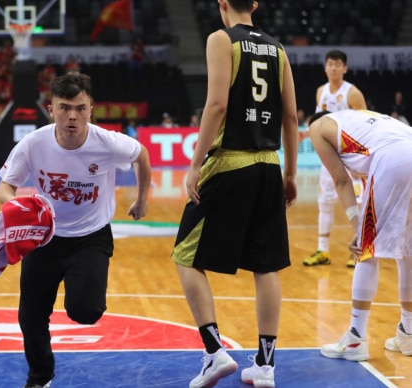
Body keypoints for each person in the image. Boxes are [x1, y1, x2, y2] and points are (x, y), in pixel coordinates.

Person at [171, 1, 298, 387]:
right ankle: (265, 365)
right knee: (266, 265)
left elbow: (217, 104)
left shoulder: (221, 39)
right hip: (268, 165)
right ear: (255, 4)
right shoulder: (278, 48)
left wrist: (195, 164)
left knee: (185, 255)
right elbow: (291, 117)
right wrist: (290, 173)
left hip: (230, 163)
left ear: (222, 4)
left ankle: (214, 353)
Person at [0, 73, 151, 388]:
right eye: (65, 107)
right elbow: (5, 185)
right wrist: (14, 204)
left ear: (91, 109)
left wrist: (142, 198)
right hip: (44, 239)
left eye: (80, 108)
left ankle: (85, 294)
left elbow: (141, 155)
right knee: (31, 316)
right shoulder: (33, 143)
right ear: (50, 109)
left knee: (85, 312)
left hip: (90, 239)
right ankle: (40, 377)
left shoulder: (107, 143)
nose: (72, 116)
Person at [308, 109, 412, 361]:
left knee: (366, 251)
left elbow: (341, 181)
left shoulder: (318, 127)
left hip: (393, 158)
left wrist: (358, 227)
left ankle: (355, 338)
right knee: (408, 252)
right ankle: (408, 334)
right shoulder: (359, 118)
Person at [302, 49, 367, 268]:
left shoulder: (353, 93)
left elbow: (365, 125)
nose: (333, 68)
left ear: (345, 68)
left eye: (338, 64)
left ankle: (357, 248)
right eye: (330, 64)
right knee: (324, 201)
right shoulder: (321, 92)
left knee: (356, 201)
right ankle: (323, 250)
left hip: (350, 157)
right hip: (328, 155)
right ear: (325, 67)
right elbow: (317, 121)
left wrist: (361, 161)